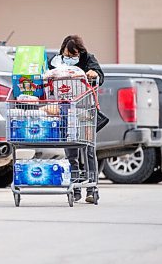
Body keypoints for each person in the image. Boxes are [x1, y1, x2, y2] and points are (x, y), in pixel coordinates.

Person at [49, 35, 104, 203]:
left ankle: (91, 188)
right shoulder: (56, 62)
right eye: (67, 55)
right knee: (71, 150)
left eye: (74, 56)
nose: (70, 58)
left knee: (88, 149)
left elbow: (100, 77)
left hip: (85, 110)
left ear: (80, 52)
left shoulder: (88, 59)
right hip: (65, 110)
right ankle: (75, 186)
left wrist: (94, 74)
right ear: (62, 51)